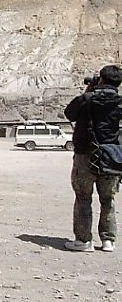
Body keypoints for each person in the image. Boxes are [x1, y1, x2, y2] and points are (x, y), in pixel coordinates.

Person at [63, 64, 122, 252]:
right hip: (111, 156)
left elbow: (69, 114)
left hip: (85, 155)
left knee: (83, 198)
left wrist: (88, 91)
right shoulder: (120, 102)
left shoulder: (87, 99)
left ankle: (83, 240)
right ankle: (108, 240)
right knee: (108, 199)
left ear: (101, 79)